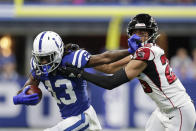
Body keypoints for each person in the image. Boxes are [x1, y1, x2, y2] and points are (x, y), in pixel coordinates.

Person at [64, 14, 196, 131]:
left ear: (152, 34)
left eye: (143, 32)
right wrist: (80, 59)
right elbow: (109, 67)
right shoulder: (146, 51)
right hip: (163, 111)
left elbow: (111, 82)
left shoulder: (146, 53)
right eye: (136, 32)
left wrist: (80, 73)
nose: (139, 36)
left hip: (179, 111)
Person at [12, 31, 132, 131]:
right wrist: (20, 97)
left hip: (84, 118)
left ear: (58, 52)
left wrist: (130, 51)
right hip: (71, 121)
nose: (44, 62)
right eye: (40, 58)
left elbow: (105, 58)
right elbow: (29, 89)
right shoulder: (38, 68)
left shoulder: (72, 59)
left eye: (47, 57)